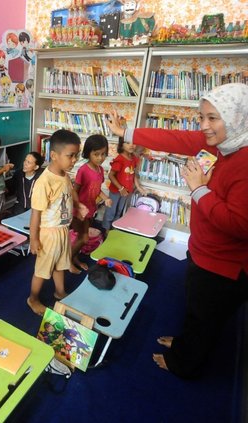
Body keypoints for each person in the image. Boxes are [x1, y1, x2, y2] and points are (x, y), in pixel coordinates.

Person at [106, 82, 248, 379]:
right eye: (201, 117)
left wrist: (199, 190)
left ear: (236, 117)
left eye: (212, 118)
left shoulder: (243, 161)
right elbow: (174, 137)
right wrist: (128, 133)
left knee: (205, 320)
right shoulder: (222, 142)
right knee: (196, 312)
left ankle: (183, 363)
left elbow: (239, 225)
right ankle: (185, 344)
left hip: (224, 266)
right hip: (204, 251)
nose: (204, 126)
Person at [28, 129, 83, 316]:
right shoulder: (44, 182)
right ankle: (33, 298)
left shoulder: (64, 175)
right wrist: (33, 239)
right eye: (71, 156)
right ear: (54, 155)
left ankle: (59, 291)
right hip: (48, 234)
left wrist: (78, 204)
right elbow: (36, 214)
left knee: (61, 264)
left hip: (62, 230)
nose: (74, 160)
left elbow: (71, 191)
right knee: (43, 270)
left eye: (77, 155)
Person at [71, 135, 112, 271]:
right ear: (88, 153)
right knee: (83, 238)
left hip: (90, 210)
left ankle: (73, 257)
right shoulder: (83, 170)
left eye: (103, 154)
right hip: (79, 211)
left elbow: (97, 189)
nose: (100, 158)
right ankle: (67, 260)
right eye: (96, 154)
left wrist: (106, 198)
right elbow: (74, 191)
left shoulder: (100, 170)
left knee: (82, 238)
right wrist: (79, 207)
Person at [102, 136, 146, 231]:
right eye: (127, 143)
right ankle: (106, 230)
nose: (131, 145)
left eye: (133, 143)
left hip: (126, 191)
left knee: (119, 211)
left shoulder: (134, 158)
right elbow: (111, 175)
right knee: (111, 211)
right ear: (121, 145)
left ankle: (114, 228)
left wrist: (138, 187)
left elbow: (133, 173)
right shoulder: (120, 159)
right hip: (116, 191)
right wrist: (120, 188)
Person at [11, 151, 44, 215]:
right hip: (20, 206)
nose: (25, 164)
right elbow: (11, 189)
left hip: (36, 207)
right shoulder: (18, 174)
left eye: (28, 162)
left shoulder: (41, 177)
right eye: (25, 160)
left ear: (36, 167)